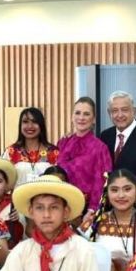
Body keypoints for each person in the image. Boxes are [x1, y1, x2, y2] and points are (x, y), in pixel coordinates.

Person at [57, 96, 113, 229]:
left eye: (86, 114)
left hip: (84, 212)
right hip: (59, 205)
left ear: (93, 119)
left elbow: (102, 182)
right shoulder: (62, 142)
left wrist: (92, 210)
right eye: (77, 113)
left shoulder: (100, 148)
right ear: (72, 116)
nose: (81, 118)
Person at [4, 107, 60, 187]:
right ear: (20, 125)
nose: (30, 126)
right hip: (18, 198)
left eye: (34, 122)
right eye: (25, 122)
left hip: (46, 198)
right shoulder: (11, 152)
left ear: (41, 125)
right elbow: (4, 181)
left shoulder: (54, 152)